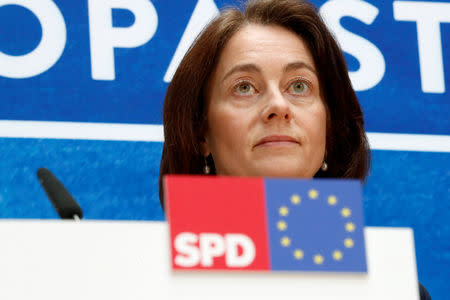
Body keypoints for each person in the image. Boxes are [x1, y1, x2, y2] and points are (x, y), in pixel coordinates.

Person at [158, 0, 431, 299]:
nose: (278, 105)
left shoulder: (396, 291)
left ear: (330, 127)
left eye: (299, 86)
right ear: (201, 132)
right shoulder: (143, 281)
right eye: (245, 87)